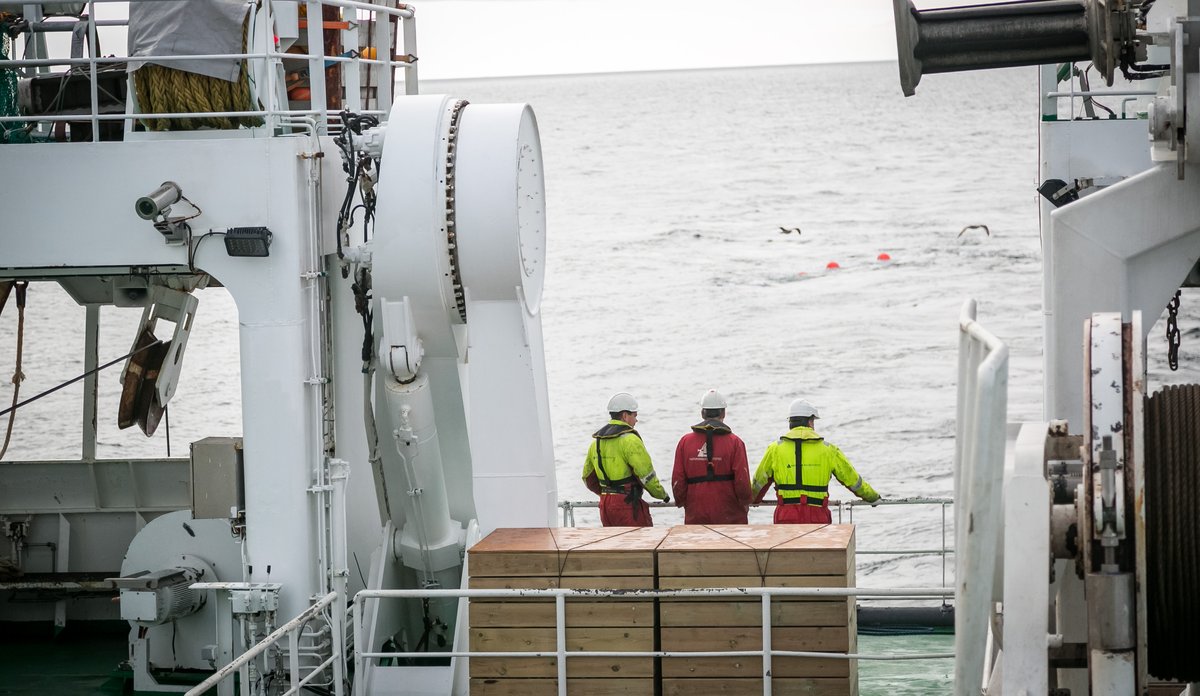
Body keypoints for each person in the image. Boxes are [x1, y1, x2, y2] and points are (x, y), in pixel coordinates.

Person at [753, 399, 881, 524]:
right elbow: (853, 481)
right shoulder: (828, 450)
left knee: (787, 546)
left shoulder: (774, 450)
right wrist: (873, 497)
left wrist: (753, 500)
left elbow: (758, 483)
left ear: (790, 422)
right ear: (810, 422)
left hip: (786, 517)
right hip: (818, 517)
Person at [581, 392, 670, 526]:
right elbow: (646, 476)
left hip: (605, 505)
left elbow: (587, 477)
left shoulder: (596, 442)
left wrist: (605, 493)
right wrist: (662, 495)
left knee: (614, 545)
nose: (636, 420)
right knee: (641, 543)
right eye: (634, 416)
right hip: (627, 504)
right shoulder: (630, 440)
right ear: (624, 415)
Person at [672, 389, 753, 524]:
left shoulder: (685, 442)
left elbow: (678, 480)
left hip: (696, 513)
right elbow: (742, 480)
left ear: (702, 413)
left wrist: (680, 501)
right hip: (730, 514)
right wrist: (745, 501)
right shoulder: (735, 443)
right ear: (723, 413)